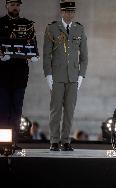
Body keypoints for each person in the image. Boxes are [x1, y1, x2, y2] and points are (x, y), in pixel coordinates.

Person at [43, 0, 88, 151]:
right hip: (56, 76)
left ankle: (66, 140)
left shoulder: (79, 29)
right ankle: (54, 141)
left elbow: (84, 57)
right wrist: (48, 76)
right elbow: (46, 55)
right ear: (61, 12)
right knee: (55, 110)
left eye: (72, 11)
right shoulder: (52, 28)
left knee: (69, 111)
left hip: (73, 77)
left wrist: (81, 76)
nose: (69, 14)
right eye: (67, 11)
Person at [0, 0, 39, 148]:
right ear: (6, 6)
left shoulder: (27, 24)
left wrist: (35, 54)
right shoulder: (0, 23)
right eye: (12, 5)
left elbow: (32, 42)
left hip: (20, 75)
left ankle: (13, 142)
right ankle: (3, 142)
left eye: (17, 5)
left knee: (16, 110)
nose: (15, 7)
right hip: (2, 75)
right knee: (3, 111)